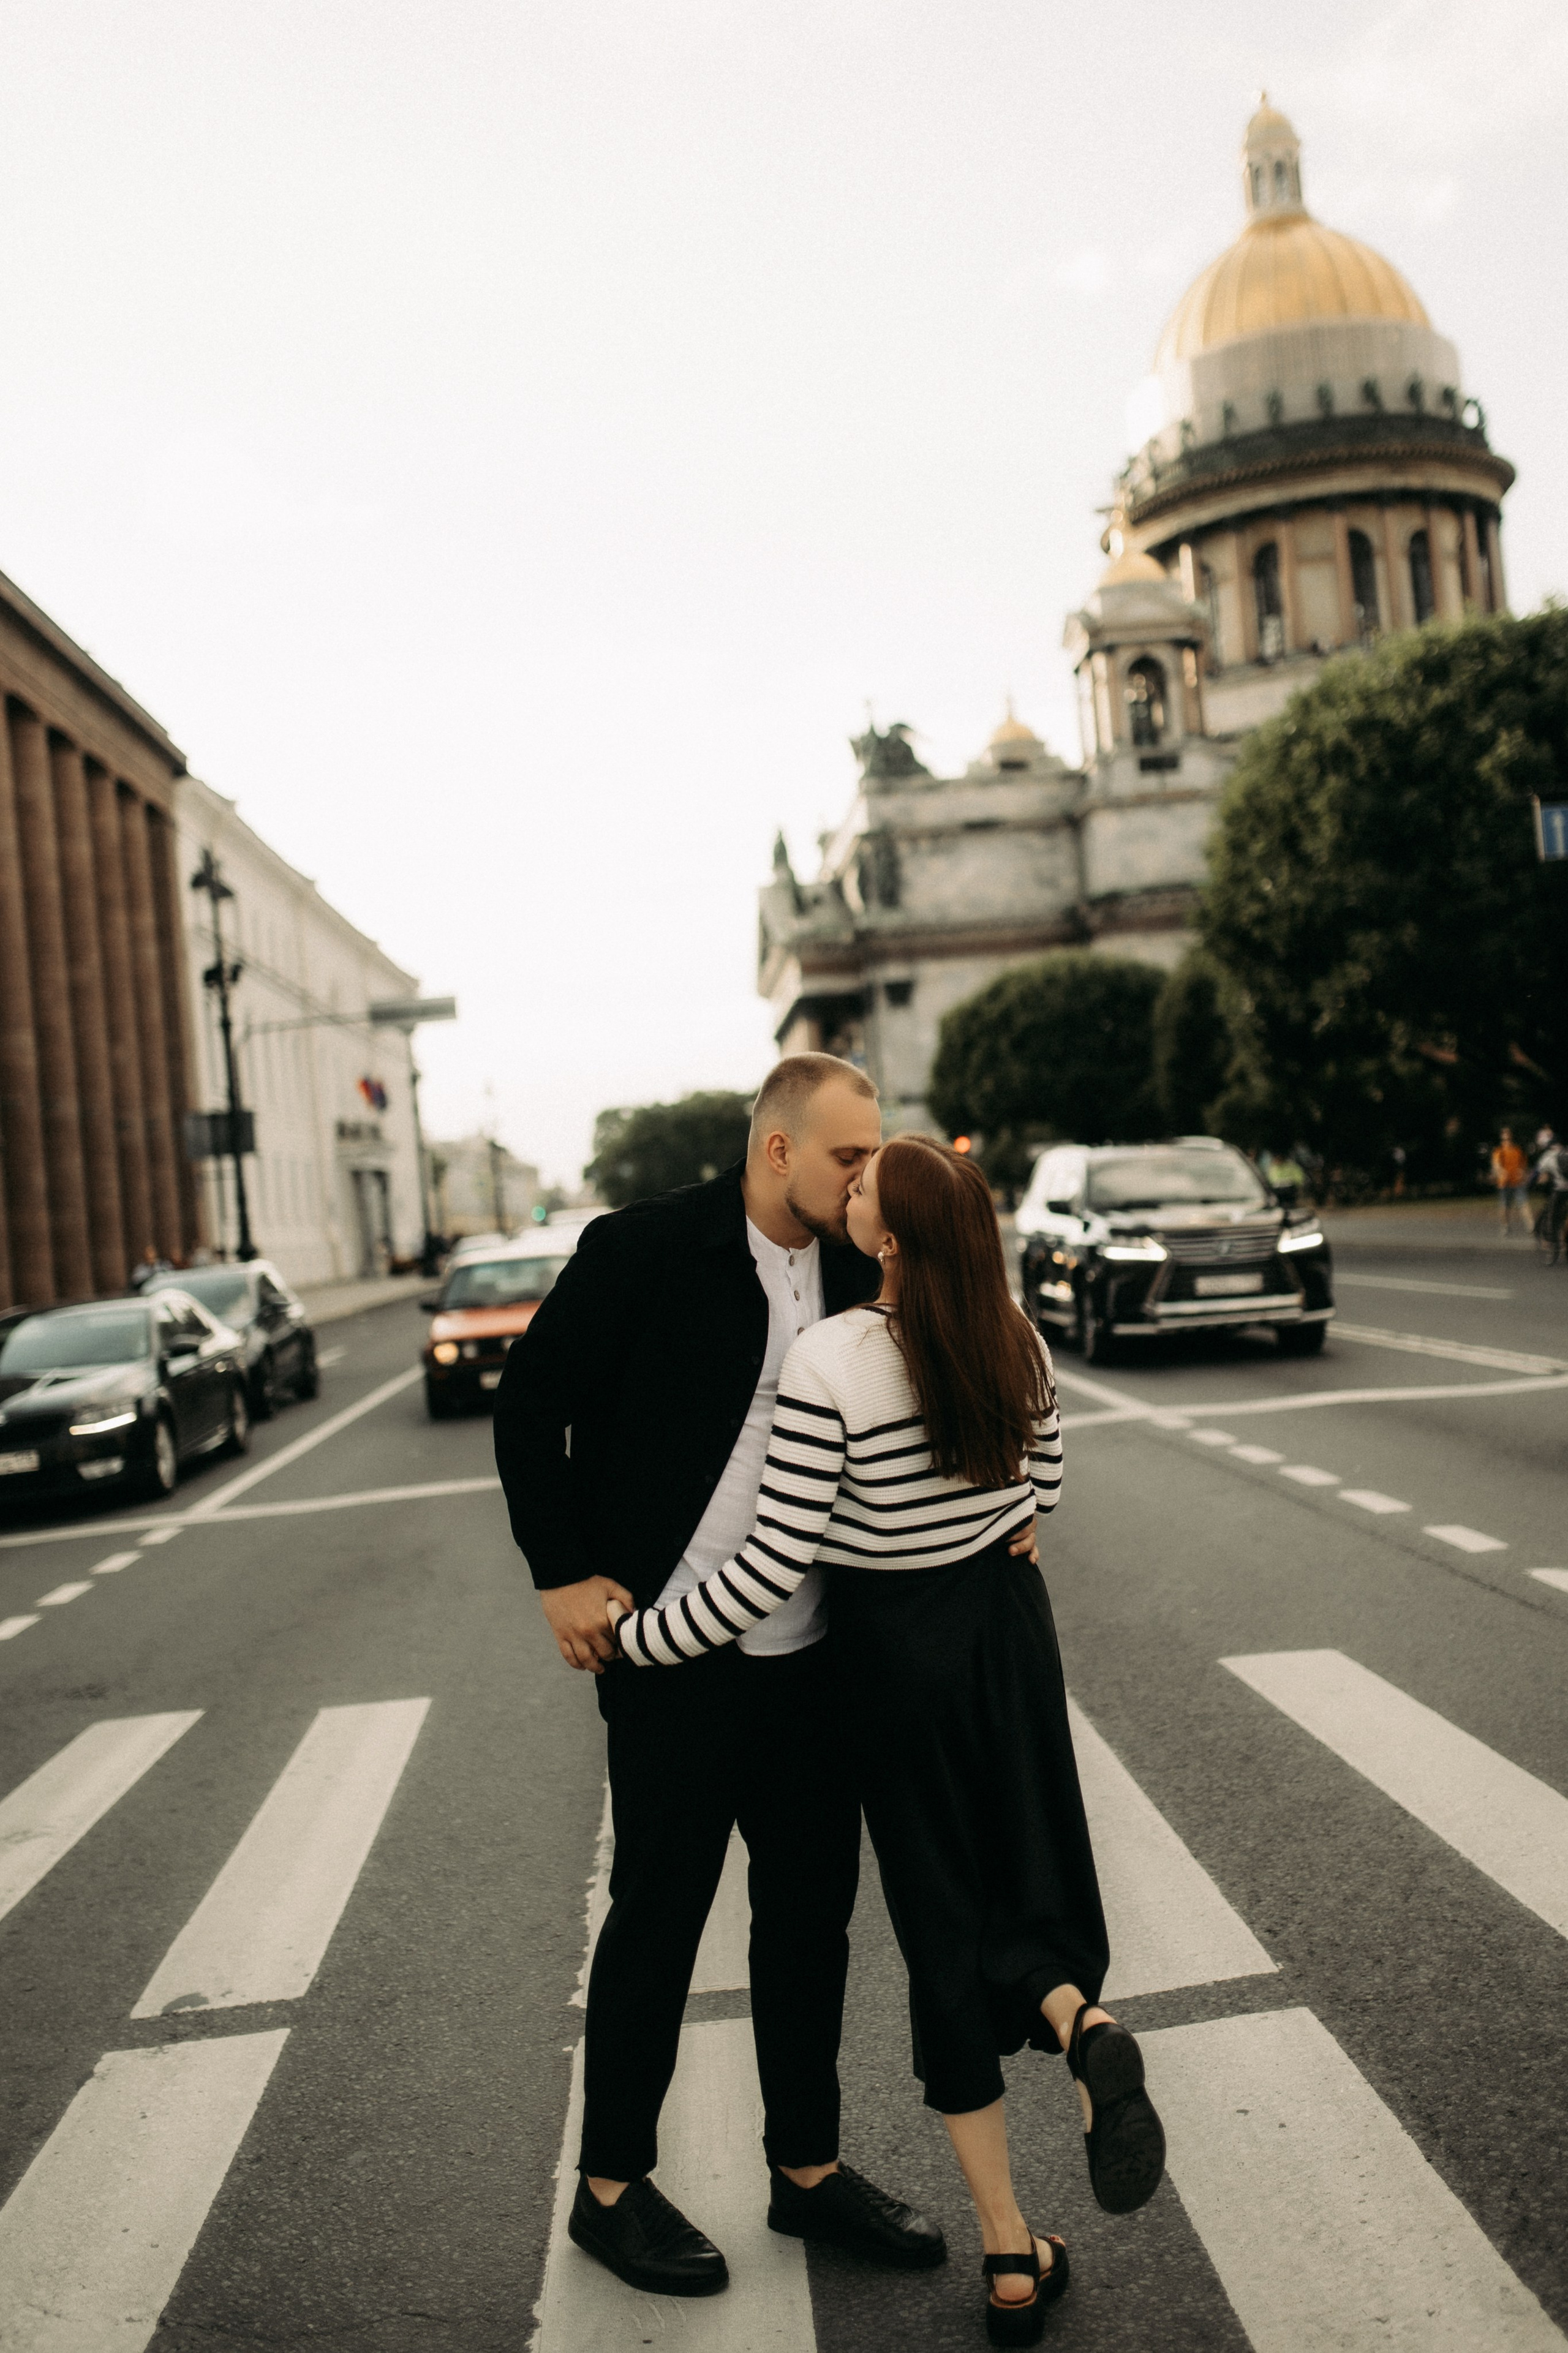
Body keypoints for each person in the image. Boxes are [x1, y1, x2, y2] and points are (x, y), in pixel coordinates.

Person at [609, 1135, 1166, 2346]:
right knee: (1026, 1880)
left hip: (892, 1660)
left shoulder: (831, 1358)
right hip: (1008, 1638)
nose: (847, 1188)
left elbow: (771, 1562)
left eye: (865, 1185)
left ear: (891, 1235)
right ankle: (1084, 2026)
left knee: (939, 1930)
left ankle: (1010, 2255)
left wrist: (640, 1639)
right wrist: (1002, 1517)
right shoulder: (1007, 1332)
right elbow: (1047, 1481)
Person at [493, 1055, 945, 2300]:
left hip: (815, 1664)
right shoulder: (645, 1250)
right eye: (850, 1157)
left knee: (808, 1927)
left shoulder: (869, 1266)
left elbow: (956, 1387)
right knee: (656, 1922)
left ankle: (805, 2171)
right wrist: (560, 1571)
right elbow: (531, 1400)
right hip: (672, 1665)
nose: (870, 1177)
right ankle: (609, 2190)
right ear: (776, 1152)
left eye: (877, 1155)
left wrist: (1008, 1506)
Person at [1491, 1127, 1529, 1235]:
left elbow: (1523, 1165)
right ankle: (1505, 1226)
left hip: (1517, 1182)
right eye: (1504, 1138)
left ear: (1512, 1137)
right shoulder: (1499, 1151)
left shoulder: (1517, 1150)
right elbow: (1496, 1165)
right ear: (1502, 1138)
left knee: (1524, 1204)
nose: (1506, 1140)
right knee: (1505, 1207)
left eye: (1508, 1137)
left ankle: (1531, 1226)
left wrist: (1522, 1171)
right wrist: (1501, 1172)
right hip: (1505, 1183)